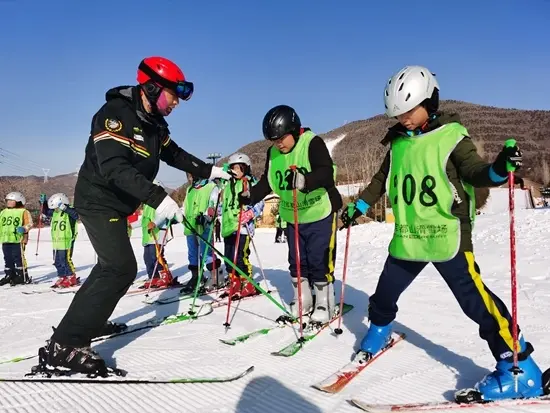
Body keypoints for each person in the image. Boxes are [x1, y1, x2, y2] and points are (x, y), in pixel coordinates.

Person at [340, 65, 542, 401]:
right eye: (397, 112)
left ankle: (520, 368)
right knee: (385, 292)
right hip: (411, 234)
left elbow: (476, 173)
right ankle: (379, 329)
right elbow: (379, 182)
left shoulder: (451, 137)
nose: (403, 118)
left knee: (476, 303)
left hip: (447, 233)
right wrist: (357, 209)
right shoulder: (398, 145)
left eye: (409, 110)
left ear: (429, 102)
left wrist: (499, 168)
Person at [39, 56, 232, 376]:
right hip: (99, 201)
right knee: (119, 267)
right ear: (153, 88)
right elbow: (113, 168)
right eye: (172, 96)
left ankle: (89, 321)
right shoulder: (114, 115)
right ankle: (66, 344)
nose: (175, 104)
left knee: (112, 267)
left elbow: (175, 154)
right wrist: (158, 197)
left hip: (118, 204)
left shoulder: (155, 123)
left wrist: (209, 170)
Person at [242, 105, 343, 323]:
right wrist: (250, 196)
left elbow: (326, 172)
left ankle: (325, 302)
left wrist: (306, 180)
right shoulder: (274, 153)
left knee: (319, 258)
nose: (278, 143)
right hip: (293, 216)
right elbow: (268, 182)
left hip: (319, 212)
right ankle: (303, 300)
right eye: (273, 140)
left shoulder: (311, 143)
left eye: (281, 138)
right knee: (297, 261)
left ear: (294, 129)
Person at [221, 153, 264, 299]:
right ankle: (235, 282)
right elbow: (225, 204)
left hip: (243, 227)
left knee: (240, 257)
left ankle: (248, 283)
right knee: (228, 258)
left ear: (246, 168)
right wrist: (214, 211)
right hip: (228, 227)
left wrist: (251, 213)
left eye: (238, 168)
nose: (235, 171)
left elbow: (260, 202)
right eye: (233, 168)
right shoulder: (228, 185)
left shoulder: (250, 183)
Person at [181, 172, 223, 293]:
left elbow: (213, 205)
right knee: (193, 254)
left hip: (204, 225)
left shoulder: (210, 186)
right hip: (190, 226)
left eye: (191, 174)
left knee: (206, 252)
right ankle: (196, 277)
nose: (190, 178)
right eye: (188, 175)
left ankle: (216, 277)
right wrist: (178, 215)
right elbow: (185, 206)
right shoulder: (189, 189)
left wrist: (207, 216)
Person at [40, 193, 80, 288]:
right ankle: (62, 276)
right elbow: (45, 211)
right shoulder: (55, 213)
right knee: (57, 261)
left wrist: (65, 208)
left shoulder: (69, 212)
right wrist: (44, 203)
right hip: (57, 242)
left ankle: (71, 277)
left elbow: (76, 215)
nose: (55, 210)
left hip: (67, 240)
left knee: (65, 260)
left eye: (57, 207)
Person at [0, 192, 33, 286]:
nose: (8, 202)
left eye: (11, 200)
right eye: (7, 200)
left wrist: (24, 228)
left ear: (18, 201)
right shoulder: (3, 212)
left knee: (18, 258)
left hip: (18, 239)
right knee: (7, 258)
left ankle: (22, 276)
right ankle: (9, 275)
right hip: (6, 239)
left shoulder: (23, 211)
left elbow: (29, 223)